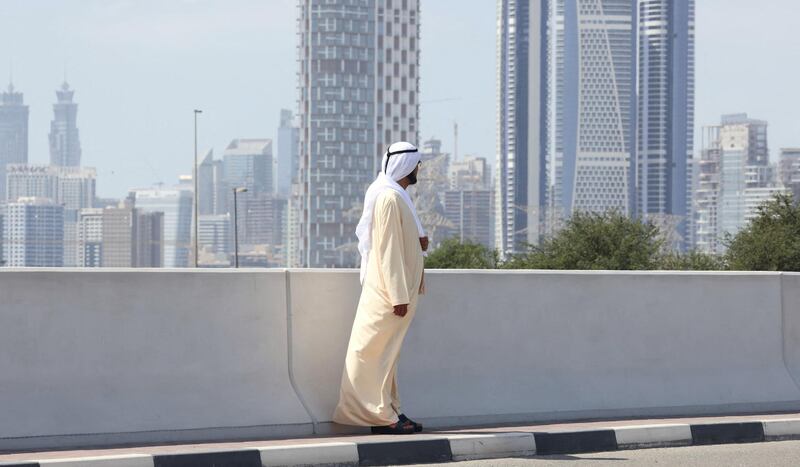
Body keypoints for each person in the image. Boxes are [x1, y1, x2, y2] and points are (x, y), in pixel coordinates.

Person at [333, 141, 428, 435]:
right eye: (417, 165)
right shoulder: (388, 198)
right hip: (389, 294)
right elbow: (388, 250)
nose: (419, 170)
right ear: (406, 166)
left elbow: (403, 240)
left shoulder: (397, 197)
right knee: (371, 354)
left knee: (386, 357)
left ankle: (387, 411)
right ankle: (375, 414)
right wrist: (398, 296)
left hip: (396, 293)